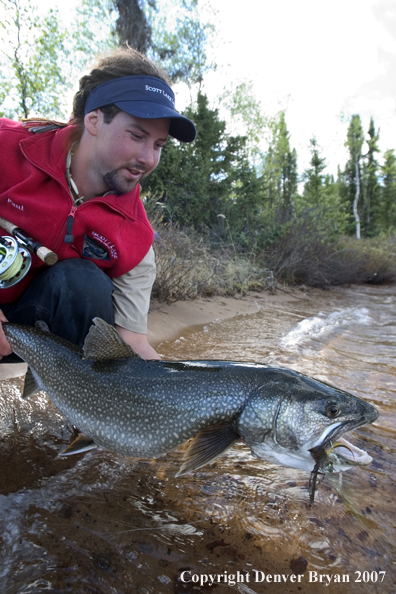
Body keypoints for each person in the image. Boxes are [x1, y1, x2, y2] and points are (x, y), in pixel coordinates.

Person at [0, 47, 196, 361]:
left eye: (158, 145)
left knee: (84, 284)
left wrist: (184, 394)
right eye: (136, 136)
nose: (148, 158)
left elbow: (131, 342)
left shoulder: (135, 236)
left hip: (31, 340)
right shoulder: (6, 146)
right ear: (94, 120)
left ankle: (67, 397)